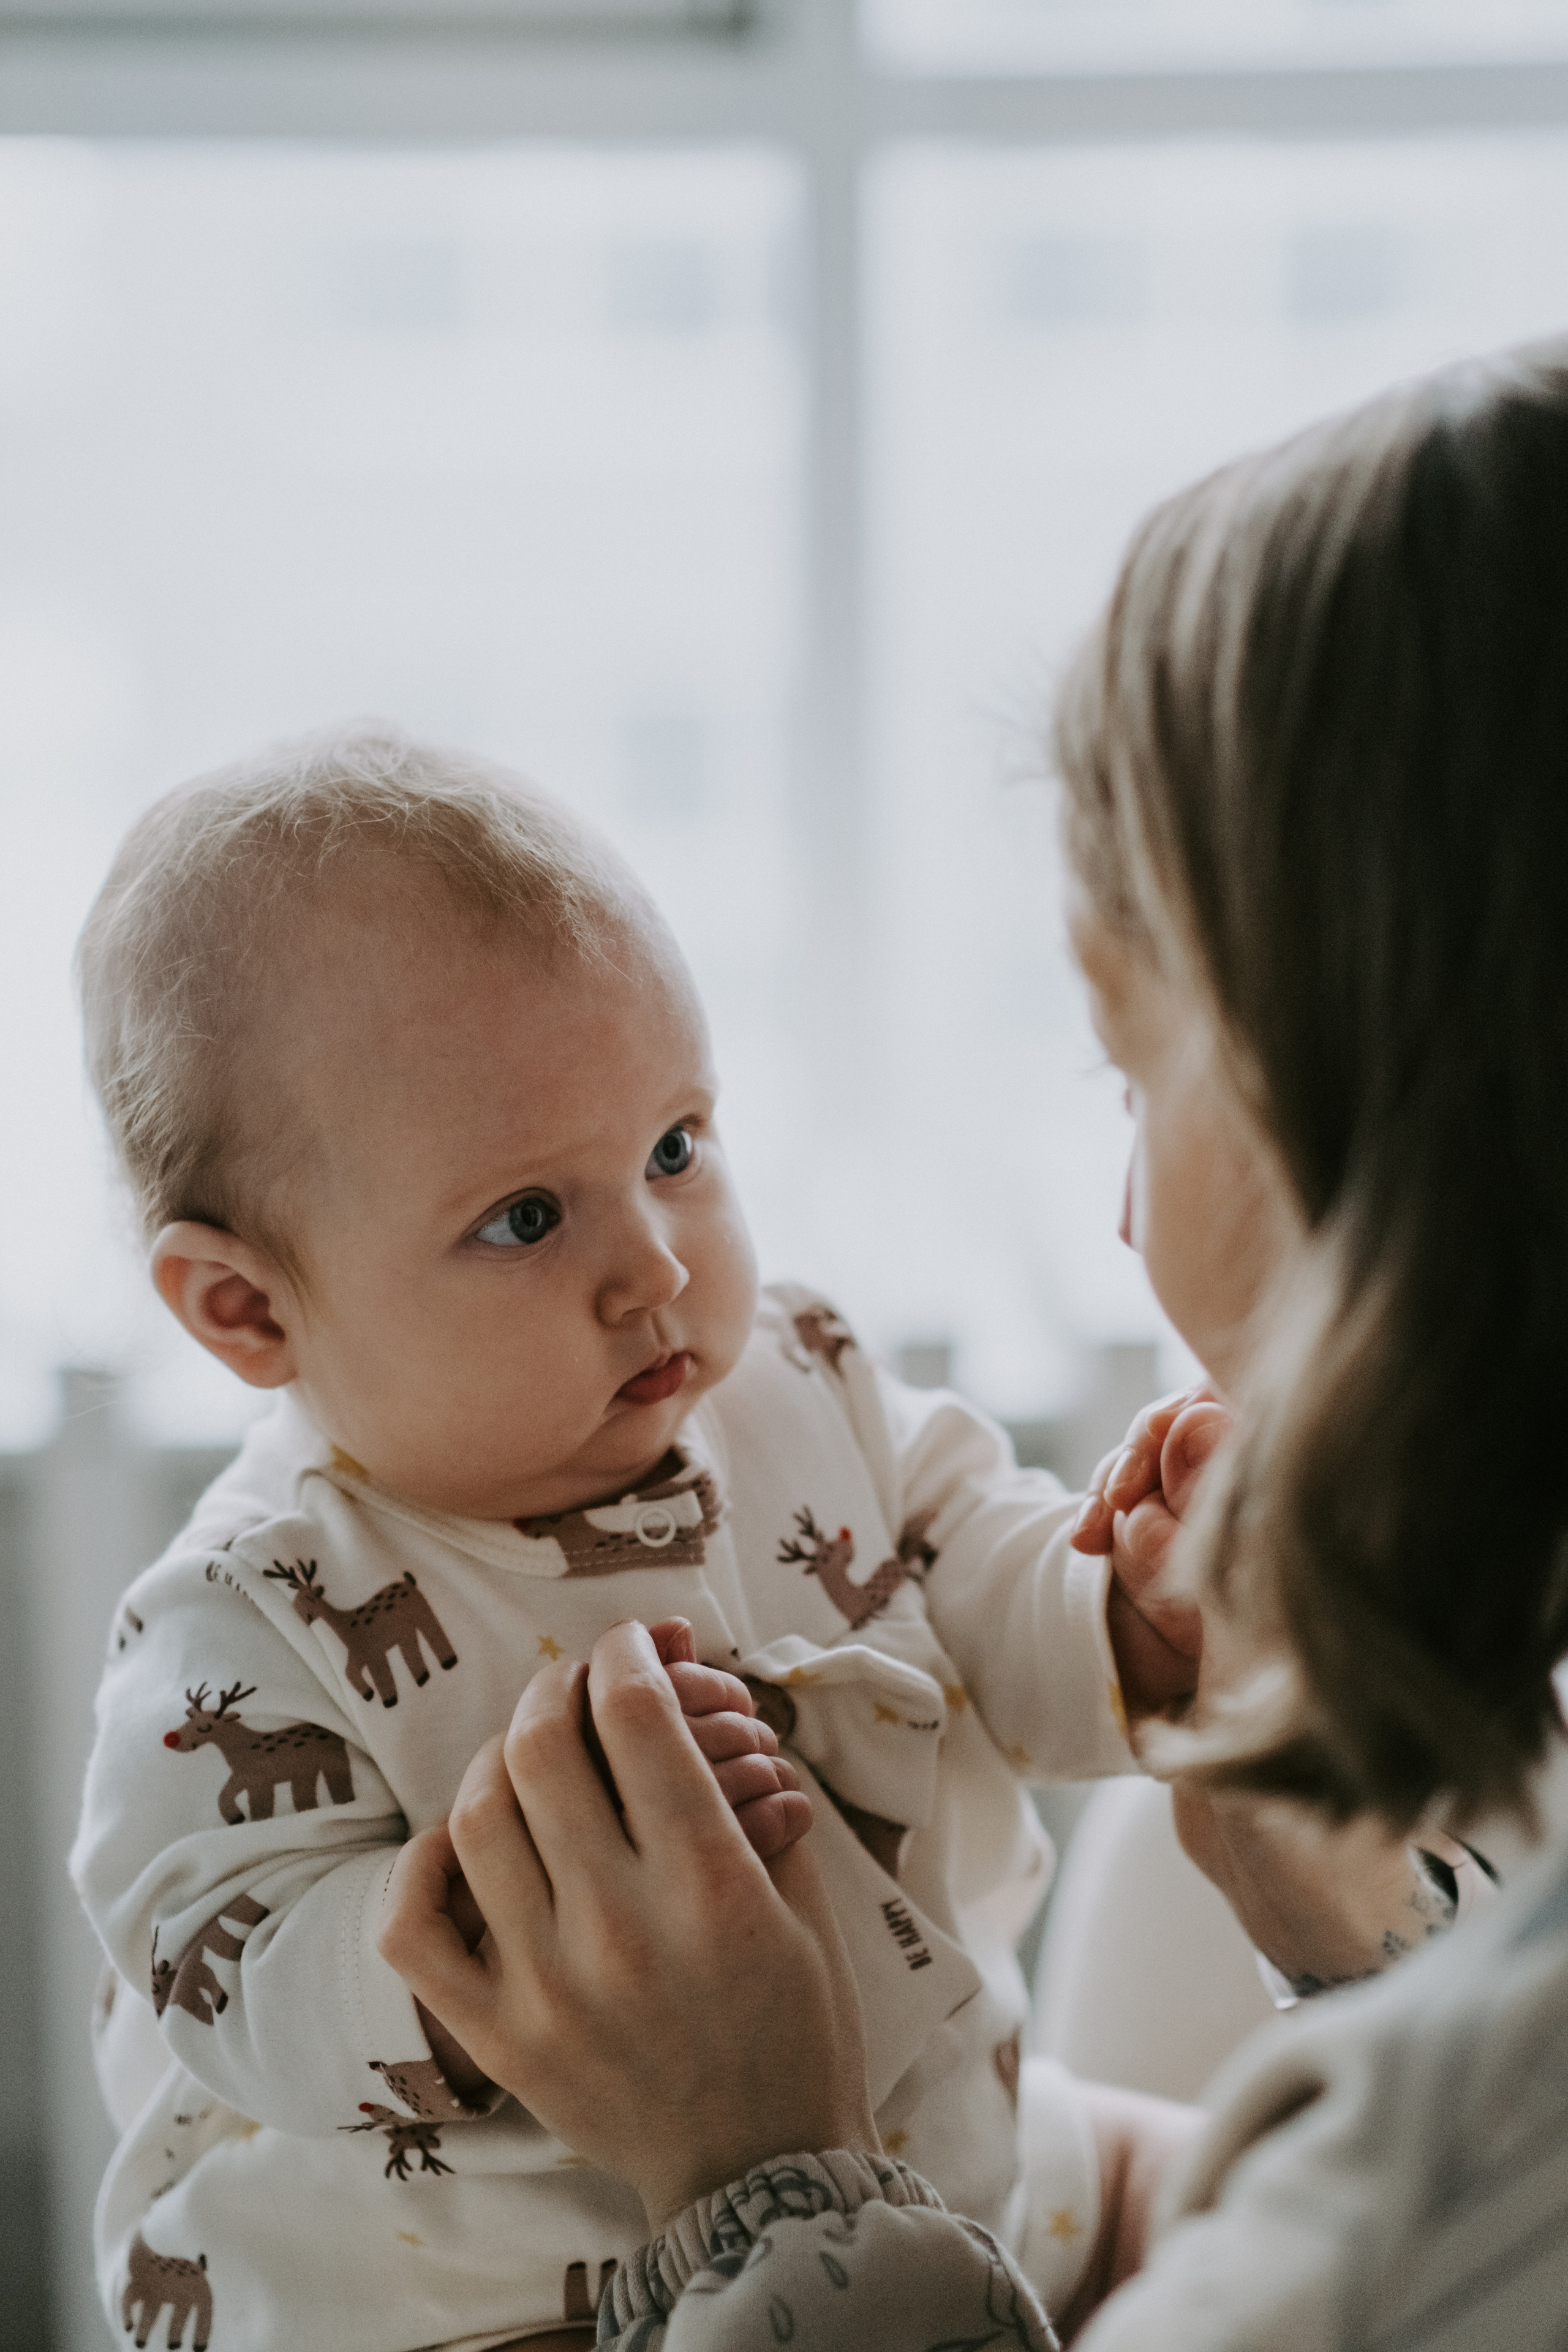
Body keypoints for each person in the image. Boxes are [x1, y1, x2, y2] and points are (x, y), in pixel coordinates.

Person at [382, 336, 1568, 2348]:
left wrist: (758, 2175)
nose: (1126, 1221)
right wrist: (1371, 1954)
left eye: (1131, 1076)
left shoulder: (1394, 2229)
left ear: (1391, 1119)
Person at [75, 725, 1212, 2352]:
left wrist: (1124, 1612)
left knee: (1231, 2180)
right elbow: (214, 1948)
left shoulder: (799, 1376)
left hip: (968, 2162)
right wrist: (502, 1917)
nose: (659, 1267)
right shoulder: (250, 1612)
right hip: (483, 2296)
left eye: (676, 1148)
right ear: (248, 1308)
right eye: (528, 1218)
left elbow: (981, 1563)